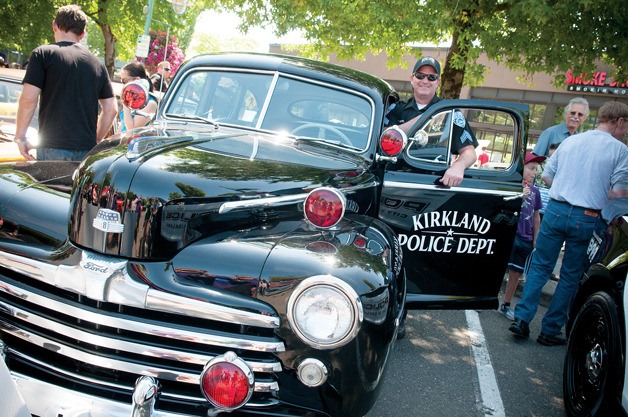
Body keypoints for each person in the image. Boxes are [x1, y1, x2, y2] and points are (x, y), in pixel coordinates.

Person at [509, 101, 628, 346]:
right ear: (619, 121)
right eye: (625, 126)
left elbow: (548, 178)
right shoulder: (620, 151)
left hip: (556, 210)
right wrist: (595, 190)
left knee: (540, 266)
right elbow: (619, 192)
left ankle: (521, 319)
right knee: (570, 276)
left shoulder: (571, 141)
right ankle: (550, 330)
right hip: (587, 216)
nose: (625, 131)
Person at [14, 4, 117, 161]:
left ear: (54, 25)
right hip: (86, 151)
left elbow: (28, 100)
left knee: (49, 187)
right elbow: (111, 109)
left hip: (51, 147)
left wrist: (20, 137)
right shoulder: (97, 64)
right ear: (82, 34)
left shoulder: (42, 54)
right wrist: (95, 140)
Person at [385, 56, 478, 187]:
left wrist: (459, 166)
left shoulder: (450, 112)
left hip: (434, 182)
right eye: (420, 76)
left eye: (431, 77)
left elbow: (470, 152)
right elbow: (384, 136)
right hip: (396, 179)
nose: (425, 81)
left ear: (438, 81)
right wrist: (426, 117)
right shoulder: (397, 108)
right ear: (412, 78)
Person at [498, 152, 545, 320]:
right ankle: (484, 298)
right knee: (498, 267)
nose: (534, 173)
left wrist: (536, 238)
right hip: (511, 235)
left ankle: (506, 304)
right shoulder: (513, 186)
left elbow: (536, 215)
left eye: (536, 170)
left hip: (526, 238)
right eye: (531, 168)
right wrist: (519, 195)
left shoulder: (536, 191)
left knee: (516, 273)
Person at [119, 61, 158, 132]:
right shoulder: (133, 100)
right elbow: (123, 125)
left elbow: (131, 129)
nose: (123, 84)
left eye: (124, 81)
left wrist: (126, 101)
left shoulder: (150, 103)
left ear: (137, 80)